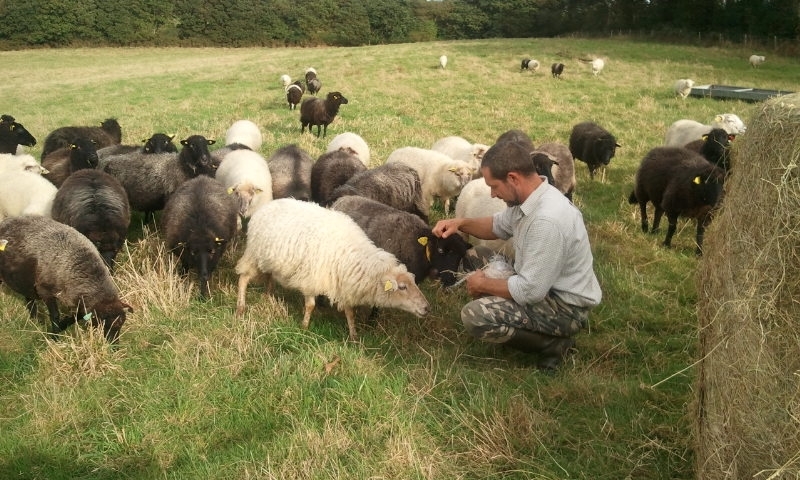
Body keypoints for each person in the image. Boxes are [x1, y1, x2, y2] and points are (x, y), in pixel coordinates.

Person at [432, 140, 601, 370]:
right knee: (476, 255)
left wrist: (484, 284)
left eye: (494, 186)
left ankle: (551, 344)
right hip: (543, 284)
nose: (492, 195)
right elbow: (497, 226)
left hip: (564, 307)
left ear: (513, 178)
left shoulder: (546, 221)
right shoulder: (533, 197)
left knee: (475, 316)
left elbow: (530, 290)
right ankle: (529, 329)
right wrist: (460, 223)